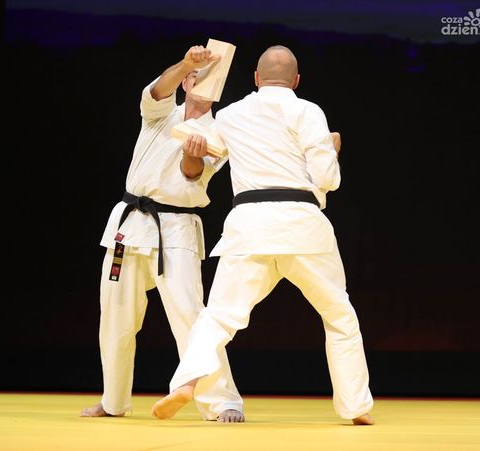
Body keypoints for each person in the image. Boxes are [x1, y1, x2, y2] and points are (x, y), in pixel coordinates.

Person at [152, 45, 374, 425]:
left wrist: (193, 144)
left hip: (249, 226)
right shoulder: (308, 112)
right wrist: (333, 151)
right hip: (302, 226)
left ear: (256, 79)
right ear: (296, 81)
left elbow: (198, 159)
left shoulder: (231, 115)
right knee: (339, 316)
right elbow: (327, 179)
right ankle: (356, 408)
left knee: (218, 316)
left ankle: (187, 381)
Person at [80, 45, 244, 423]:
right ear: (186, 82)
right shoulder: (159, 115)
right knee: (115, 318)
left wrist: (191, 153)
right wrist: (187, 63)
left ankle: (223, 401)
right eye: (194, 77)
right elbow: (156, 91)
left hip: (176, 228)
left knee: (192, 316)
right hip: (128, 225)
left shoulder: (219, 133)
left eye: (210, 80)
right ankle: (113, 401)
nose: (201, 84)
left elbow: (192, 174)